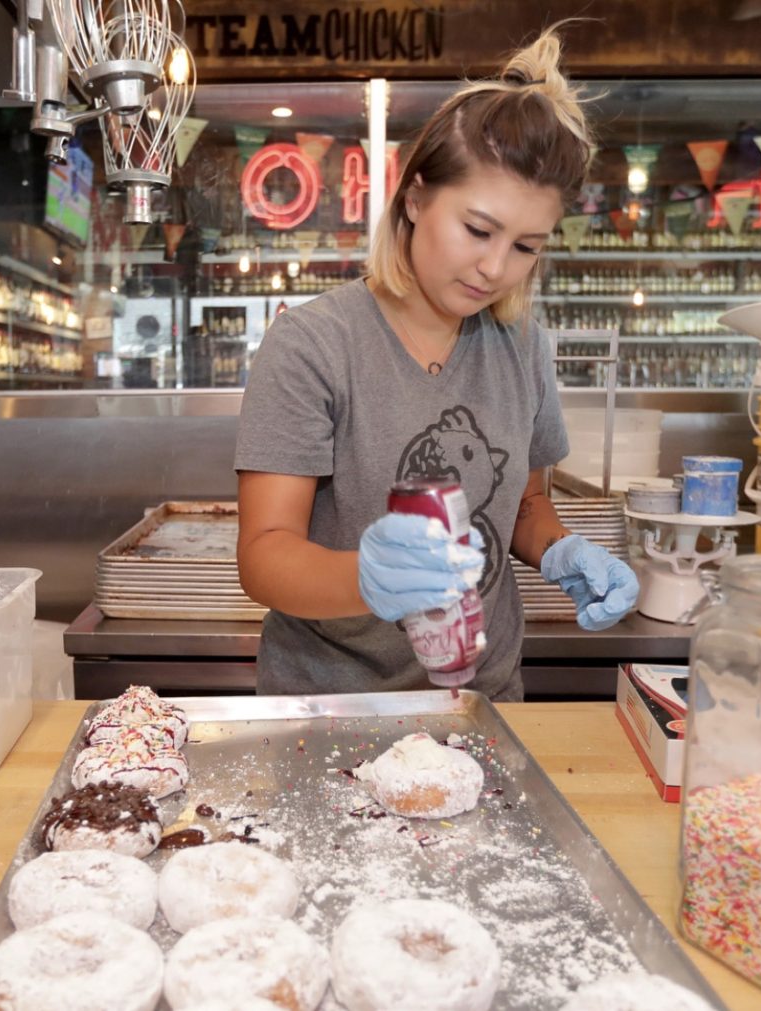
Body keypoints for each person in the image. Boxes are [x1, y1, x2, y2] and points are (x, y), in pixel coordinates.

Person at [234, 26, 639, 701]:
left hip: (482, 699)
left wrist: (560, 549)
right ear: (416, 197)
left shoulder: (521, 345)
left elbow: (524, 500)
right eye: (478, 230)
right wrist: (364, 577)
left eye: (525, 247)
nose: (495, 267)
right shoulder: (314, 344)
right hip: (333, 706)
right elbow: (264, 553)